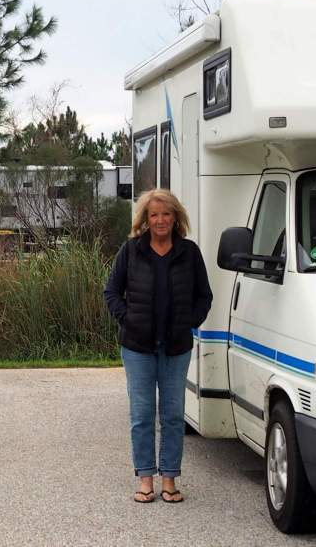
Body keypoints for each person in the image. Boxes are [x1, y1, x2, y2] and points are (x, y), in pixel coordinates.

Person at [104, 189, 213, 504]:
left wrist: (189, 321)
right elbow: (111, 292)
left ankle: (169, 479)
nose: (161, 220)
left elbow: (204, 296)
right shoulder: (131, 250)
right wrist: (128, 319)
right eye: (154, 215)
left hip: (176, 347)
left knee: (173, 415)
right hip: (137, 347)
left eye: (166, 214)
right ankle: (145, 479)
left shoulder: (189, 252)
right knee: (141, 415)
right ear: (145, 219)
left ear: (175, 217)